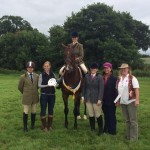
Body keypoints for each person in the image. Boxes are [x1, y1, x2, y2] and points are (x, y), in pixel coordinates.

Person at [115, 63, 139, 141]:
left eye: (125, 68)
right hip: (123, 102)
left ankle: (133, 138)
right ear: (120, 70)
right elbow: (118, 91)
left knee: (133, 120)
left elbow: (136, 90)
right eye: (122, 69)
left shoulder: (132, 78)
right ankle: (128, 136)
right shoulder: (119, 79)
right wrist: (118, 100)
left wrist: (137, 100)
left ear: (128, 69)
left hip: (131, 101)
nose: (123, 70)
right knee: (127, 120)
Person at [82, 62, 104, 135]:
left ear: (97, 69)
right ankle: (92, 128)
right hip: (88, 98)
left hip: (96, 98)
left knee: (98, 114)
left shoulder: (100, 77)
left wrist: (100, 99)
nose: (93, 69)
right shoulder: (86, 76)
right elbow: (84, 87)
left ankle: (101, 129)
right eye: (91, 68)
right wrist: (82, 96)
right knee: (91, 114)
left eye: (94, 68)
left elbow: (101, 89)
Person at [18, 61, 39, 132]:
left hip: (35, 96)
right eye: (29, 67)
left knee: (33, 111)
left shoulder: (37, 76)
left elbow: (37, 86)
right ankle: (25, 127)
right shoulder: (23, 77)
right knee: (26, 111)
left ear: (33, 68)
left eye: (31, 67)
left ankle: (32, 125)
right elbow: (20, 87)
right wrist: (25, 93)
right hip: (26, 97)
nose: (30, 69)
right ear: (27, 68)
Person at [38, 61, 56, 132]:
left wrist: (57, 82)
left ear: (50, 66)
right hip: (44, 95)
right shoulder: (41, 75)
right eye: (45, 66)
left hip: (52, 95)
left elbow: (56, 83)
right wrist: (47, 85)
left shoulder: (53, 74)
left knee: (51, 110)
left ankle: (49, 125)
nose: (46, 67)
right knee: (43, 110)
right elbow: (39, 85)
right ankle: (44, 126)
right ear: (43, 67)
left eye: (47, 66)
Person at [102, 62, 117, 135]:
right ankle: (106, 129)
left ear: (111, 69)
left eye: (107, 68)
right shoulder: (102, 77)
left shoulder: (114, 78)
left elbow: (116, 90)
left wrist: (117, 100)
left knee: (111, 115)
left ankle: (112, 131)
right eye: (105, 68)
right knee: (106, 115)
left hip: (112, 100)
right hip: (103, 100)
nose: (106, 69)